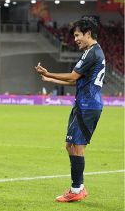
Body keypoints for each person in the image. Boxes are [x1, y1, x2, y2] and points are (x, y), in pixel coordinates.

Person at [35, 17, 105, 202]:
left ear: (88, 33)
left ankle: (76, 190)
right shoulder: (92, 52)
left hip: (88, 105)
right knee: (70, 145)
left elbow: (73, 75)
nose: (75, 39)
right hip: (84, 104)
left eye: (77, 35)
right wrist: (51, 80)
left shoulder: (92, 53)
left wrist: (48, 73)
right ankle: (79, 186)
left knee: (76, 146)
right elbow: (76, 80)